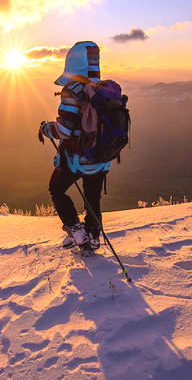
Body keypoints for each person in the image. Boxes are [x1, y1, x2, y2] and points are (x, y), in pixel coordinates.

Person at [39, 41, 111, 253]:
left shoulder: (73, 90)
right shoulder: (103, 89)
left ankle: (76, 231)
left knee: (56, 189)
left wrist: (45, 128)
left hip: (77, 158)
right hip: (102, 157)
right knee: (92, 198)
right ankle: (93, 236)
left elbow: (63, 130)